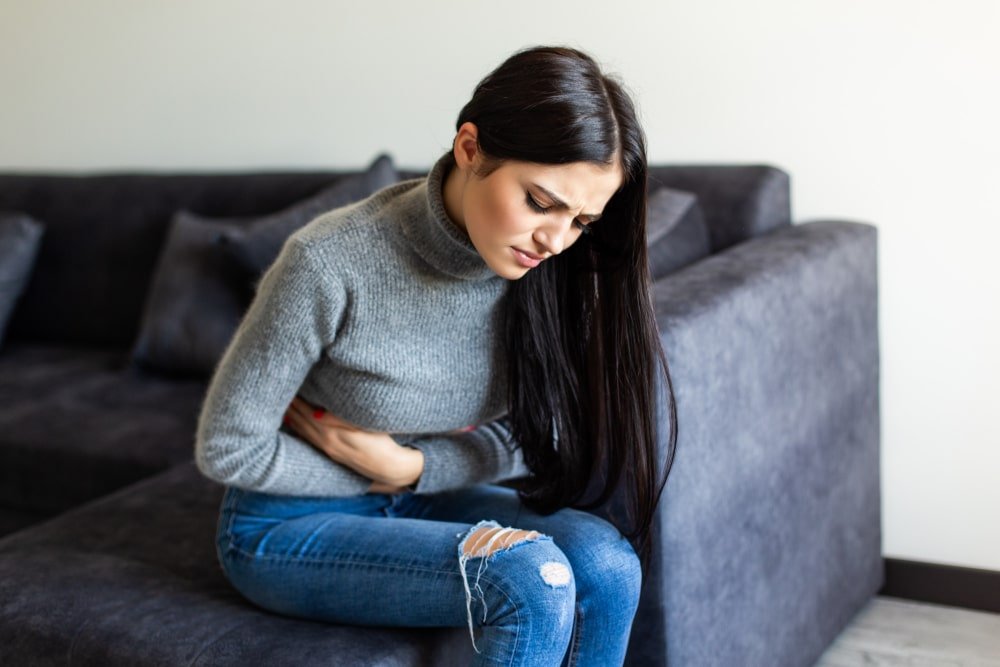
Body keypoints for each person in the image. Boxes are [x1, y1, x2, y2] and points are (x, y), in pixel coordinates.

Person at [194, 44, 677, 667]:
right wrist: (372, 472)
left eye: (581, 220)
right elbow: (228, 445)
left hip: (423, 496)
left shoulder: (552, 271)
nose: (556, 239)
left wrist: (411, 469)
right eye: (540, 202)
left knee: (607, 564)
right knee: (526, 577)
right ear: (470, 148)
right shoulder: (329, 261)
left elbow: (537, 434)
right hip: (283, 525)